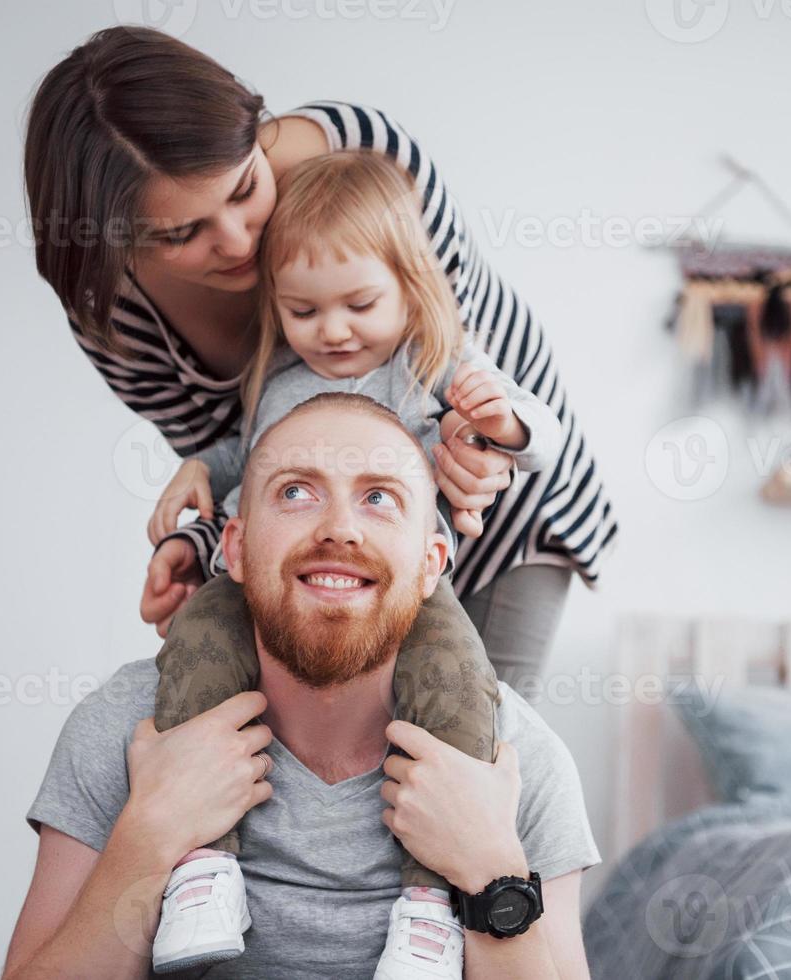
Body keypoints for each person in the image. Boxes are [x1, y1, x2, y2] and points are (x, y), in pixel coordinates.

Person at [22, 27, 619, 696]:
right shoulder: (119, 319)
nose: (238, 241)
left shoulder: (373, 160)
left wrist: (488, 443)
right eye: (181, 233)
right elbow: (245, 467)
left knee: (482, 735)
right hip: (340, 551)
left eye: (244, 188)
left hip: (504, 512)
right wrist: (194, 539)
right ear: (110, 241)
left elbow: (446, 338)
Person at [2, 394, 600, 979]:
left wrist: (491, 867)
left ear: (431, 563)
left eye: (379, 498)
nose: (339, 529)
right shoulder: (124, 727)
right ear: (233, 548)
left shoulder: (517, 763)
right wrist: (150, 831)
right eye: (295, 492)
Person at [147, 150, 563, 973]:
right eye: (303, 311)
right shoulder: (280, 387)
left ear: (409, 288)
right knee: (196, 649)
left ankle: (426, 903)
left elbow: (540, 436)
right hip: (281, 582)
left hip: (402, 589)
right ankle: (203, 868)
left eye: (359, 304)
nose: (332, 330)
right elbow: (242, 465)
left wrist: (502, 422)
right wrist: (199, 479)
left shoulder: (428, 371)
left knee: (453, 684)